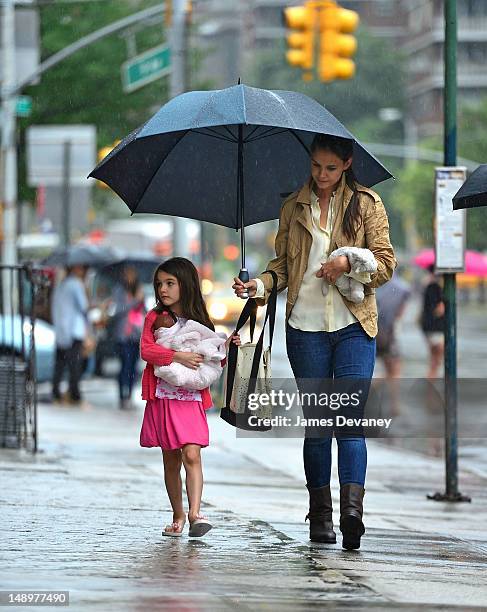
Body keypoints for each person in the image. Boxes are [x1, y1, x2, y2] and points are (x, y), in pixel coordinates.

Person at [232, 134, 396, 550]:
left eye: (331, 168)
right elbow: (283, 269)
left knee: (349, 422)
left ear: (347, 164)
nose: (322, 176)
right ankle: (320, 516)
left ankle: (352, 513)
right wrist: (258, 286)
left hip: (354, 325)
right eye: (316, 167)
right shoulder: (292, 207)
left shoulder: (367, 204)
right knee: (320, 426)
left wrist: (348, 261)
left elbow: (386, 265)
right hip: (305, 329)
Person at [139, 258, 240, 538]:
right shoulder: (154, 317)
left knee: (192, 455)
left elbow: (209, 362)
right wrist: (177, 355)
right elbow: (146, 351)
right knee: (171, 460)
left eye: (170, 283)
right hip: (163, 398)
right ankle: (178, 515)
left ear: (186, 284)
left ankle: (196, 514)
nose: (163, 289)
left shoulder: (201, 321)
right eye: (159, 284)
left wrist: (226, 348)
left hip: (191, 400)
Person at [51, 265, 89, 404]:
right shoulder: (76, 284)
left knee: (60, 364)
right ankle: (74, 394)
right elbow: (84, 306)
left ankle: (56, 392)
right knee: (74, 365)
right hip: (74, 330)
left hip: (61, 330)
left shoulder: (61, 286)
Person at [376, 273, 411, 416]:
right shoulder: (401, 288)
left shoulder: (373, 282)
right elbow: (399, 314)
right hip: (388, 334)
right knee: (394, 369)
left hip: (370, 331)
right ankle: (394, 405)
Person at [110, 266, 146, 410]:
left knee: (133, 367)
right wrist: (135, 301)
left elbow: (144, 312)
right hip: (123, 335)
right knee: (124, 366)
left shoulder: (139, 290)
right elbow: (118, 310)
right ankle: (121, 396)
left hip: (136, 335)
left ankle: (129, 395)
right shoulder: (119, 291)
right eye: (127, 274)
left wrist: (141, 301)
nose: (129, 277)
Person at [420, 264, 445, 380]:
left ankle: (430, 384)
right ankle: (430, 384)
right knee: (436, 361)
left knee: (434, 360)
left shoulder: (428, 286)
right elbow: (438, 310)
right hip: (435, 328)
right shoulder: (435, 287)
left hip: (428, 327)